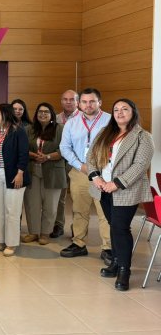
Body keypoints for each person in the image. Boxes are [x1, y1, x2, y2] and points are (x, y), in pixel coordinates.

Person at [88, 99, 154, 291]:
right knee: (113, 225)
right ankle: (116, 262)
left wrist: (116, 183)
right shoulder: (105, 132)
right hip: (103, 188)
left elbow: (140, 165)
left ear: (133, 112)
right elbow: (91, 156)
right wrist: (95, 177)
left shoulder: (143, 136)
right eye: (116, 109)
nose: (120, 112)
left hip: (126, 189)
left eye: (125, 109)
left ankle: (125, 270)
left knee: (120, 227)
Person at [59, 88, 112, 262]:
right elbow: (64, 148)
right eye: (84, 102)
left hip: (104, 173)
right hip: (80, 171)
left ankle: (108, 248)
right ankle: (78, 243)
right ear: (79, 104)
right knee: (79, 210)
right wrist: (79, 165)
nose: (88, 105)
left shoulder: (110, 121)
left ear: (100, 102)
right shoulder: (71, 123)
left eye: (92, 101)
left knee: (104, 212)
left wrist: (104, 167)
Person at [0, 103, 30, 257]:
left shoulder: (18, 131)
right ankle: (1, 240)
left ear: (4, 113)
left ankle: (11, 243)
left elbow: (23, 154)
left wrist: (20, 173)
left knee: (12, 211)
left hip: (14, 175)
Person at [23, 103, 66, 245]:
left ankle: (45, 233)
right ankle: (33, 232)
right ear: (36, 114)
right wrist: (34, 155)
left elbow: (65, 149)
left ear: (52, 114)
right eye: (40, 111)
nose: (43, 114)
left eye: (46, 112)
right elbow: (22, 148)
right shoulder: (29, 129)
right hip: (33, 170)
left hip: (53, 171)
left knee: (51, 205)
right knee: (32, 204)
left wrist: (47, 157)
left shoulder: (60, 129)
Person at [51, 89, 80, 238]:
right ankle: (58, 225)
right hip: (59, 162)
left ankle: (78, 228)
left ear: (77, 102)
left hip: (78, 163)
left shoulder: (84, 118)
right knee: (59, 197)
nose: (68, 102)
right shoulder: (55, 119)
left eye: (72, 99)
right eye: (65, 99)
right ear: (61, 101)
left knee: (78, 197)